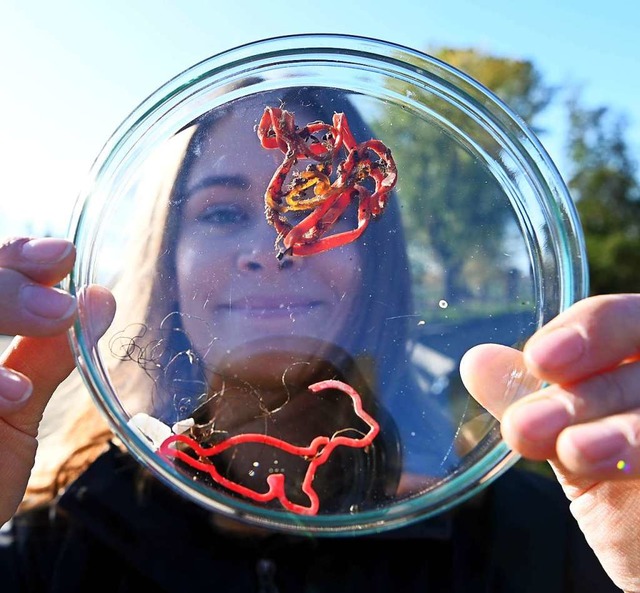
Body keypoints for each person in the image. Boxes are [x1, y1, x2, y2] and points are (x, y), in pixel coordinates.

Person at [0, 87, 636, 592]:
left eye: (326, 208)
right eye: (222, 212)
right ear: (164, 257)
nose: (273, 249)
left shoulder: (538, 538)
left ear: (375, 261)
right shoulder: (49, 544)